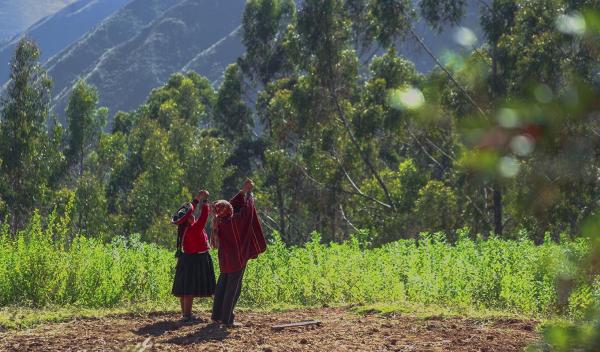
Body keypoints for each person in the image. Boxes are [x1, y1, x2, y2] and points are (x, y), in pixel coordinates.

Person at [210, 179, 266, 327]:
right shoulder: (234, 221)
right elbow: (247, 211)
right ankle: (227, 320)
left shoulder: (219, 221)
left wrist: (242, 191)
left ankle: (216, 316)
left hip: (224, 260)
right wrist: (249, 193)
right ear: (228, 211)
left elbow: (231, 205)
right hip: (236, 260)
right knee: (232, 290)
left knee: (222, 286)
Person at [171, 190, 216, 322]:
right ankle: (187, 315)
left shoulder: (184, 228)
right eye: (191, 215)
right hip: (194, 259)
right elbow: (204, 215)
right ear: (188, 219)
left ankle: (185, 314)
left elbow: (189, 210)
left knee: (185, 288)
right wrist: (205, 201)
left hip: (186, 259)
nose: (192, 215)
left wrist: (197, 198)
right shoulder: (194, 228)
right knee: (189, 288)